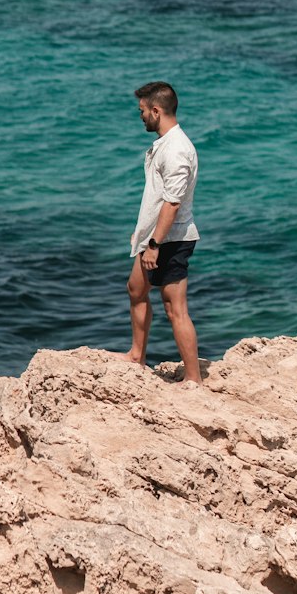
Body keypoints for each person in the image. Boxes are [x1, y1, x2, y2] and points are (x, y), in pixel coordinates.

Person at [122, 81, 202, 386]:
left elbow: (172, 202)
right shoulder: (166, 144)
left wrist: (154, 244)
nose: (140, 116)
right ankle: (136, 355)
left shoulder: (177, 149)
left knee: (174, 306)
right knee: (135, 289)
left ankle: (193, 379)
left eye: (142, 111)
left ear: (156, 110)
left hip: (171, 238)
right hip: (156, 236)